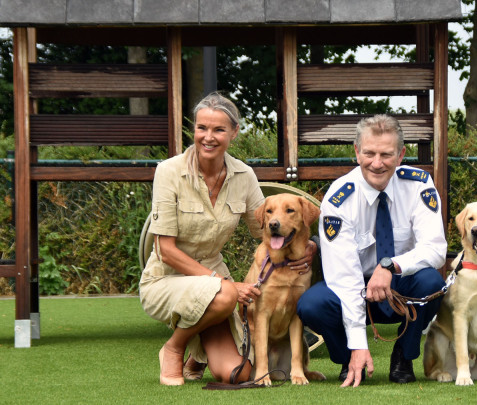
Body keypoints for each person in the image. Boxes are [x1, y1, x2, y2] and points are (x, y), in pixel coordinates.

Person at [139, 92, 314, 386]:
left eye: (219, 129)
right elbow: (165, 250)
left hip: (216, 290)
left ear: (233, 132)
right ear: (193, 129)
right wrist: (224, 283)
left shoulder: (243, 175)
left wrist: (308, 245)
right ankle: (175, 347)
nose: (208, 137)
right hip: (167, 279)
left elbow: (267, 225)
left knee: (238, 374)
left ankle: (199, 355)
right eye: (201, 128)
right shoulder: (168, 172)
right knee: (226, 294)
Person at [296, 114, 447, 387]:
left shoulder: (419, 184)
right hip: (355, 288)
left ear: (401, 155)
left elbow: (435, 249)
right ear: (357, 152)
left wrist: (391, 266)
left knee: (431, 281)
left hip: (399, 285)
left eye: (386, 154)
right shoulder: (339, 197)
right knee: (312, 304)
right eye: (369, 153)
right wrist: (358, 341)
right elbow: (344, 277)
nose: (377, 163)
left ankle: (404, 354)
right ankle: (349, 358)